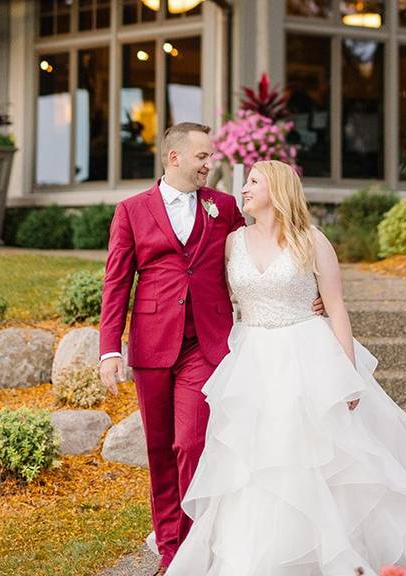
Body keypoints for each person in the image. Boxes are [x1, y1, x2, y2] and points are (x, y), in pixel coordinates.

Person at [164, 160, 406, 576]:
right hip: (252, 358)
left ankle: (331, 547)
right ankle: (257, 553)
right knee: (254, 459)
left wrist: (348, 375)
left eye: (253, 182)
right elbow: (217, 301)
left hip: (306, 353)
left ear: (276, 191)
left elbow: (336, 308)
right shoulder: (232, 243)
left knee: (317, 455)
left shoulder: (311, 241)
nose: (244, 189)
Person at [97, 124, 320, 575]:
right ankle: (172, 550)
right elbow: (117, 283)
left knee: (191, 441)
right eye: (201, 156)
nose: (209, 164)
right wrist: (109, 349)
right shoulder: (132, 211)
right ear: (174, 157)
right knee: (160, 449)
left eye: (210, 156)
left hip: (206, 343)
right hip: (152, 345)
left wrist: (305, 291)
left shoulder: (224, 208)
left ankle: (201, 543)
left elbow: (270, 245)